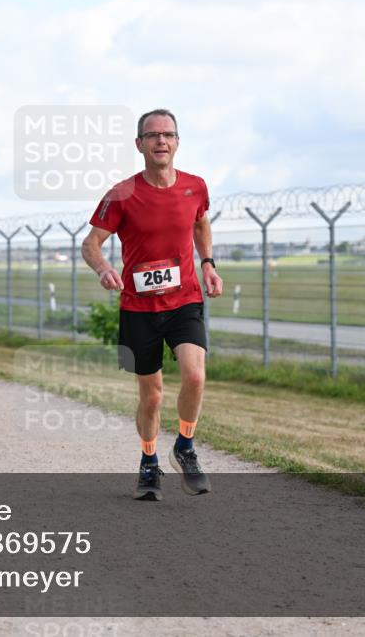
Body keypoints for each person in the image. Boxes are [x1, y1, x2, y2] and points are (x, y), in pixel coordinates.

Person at [81, 108, 223, 501]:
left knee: (195, 376)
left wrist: (208, 264)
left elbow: (200, 222)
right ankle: (148, 462)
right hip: (138, 309)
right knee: (152, 395)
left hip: (185, 300)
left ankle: (186, 446)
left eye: (168, 134)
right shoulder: (122, 193)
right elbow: (90, 243)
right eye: (153, 135)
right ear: (139, 144)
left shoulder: (195, 186)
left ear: (177, 142)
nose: (161, 141)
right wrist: (103, 268)